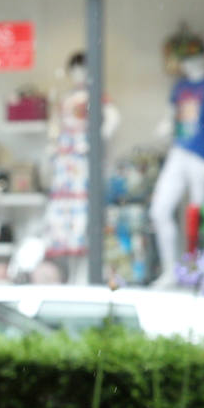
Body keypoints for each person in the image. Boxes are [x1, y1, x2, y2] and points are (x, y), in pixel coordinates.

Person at [149, 34, 204, 285]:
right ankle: (171, 270)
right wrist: (164, 129)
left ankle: (200, 272)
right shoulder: (180, 87)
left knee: (199, 215)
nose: (190, 63)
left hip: (200, 156)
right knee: (159, 210)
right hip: (178, 152)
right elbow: (171, 119)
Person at [42, 51, 121, 284]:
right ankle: (70, 273)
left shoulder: (95, 96)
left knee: (84, 213)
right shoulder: (67, 97)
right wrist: (54, 147)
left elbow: (113, 118)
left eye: (82, 69)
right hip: (66, 161)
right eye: (75, 70)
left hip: (82, 160)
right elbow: (56, 127)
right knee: (65, 214)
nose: (79, 74)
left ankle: (85, 274)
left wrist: (97, 140)